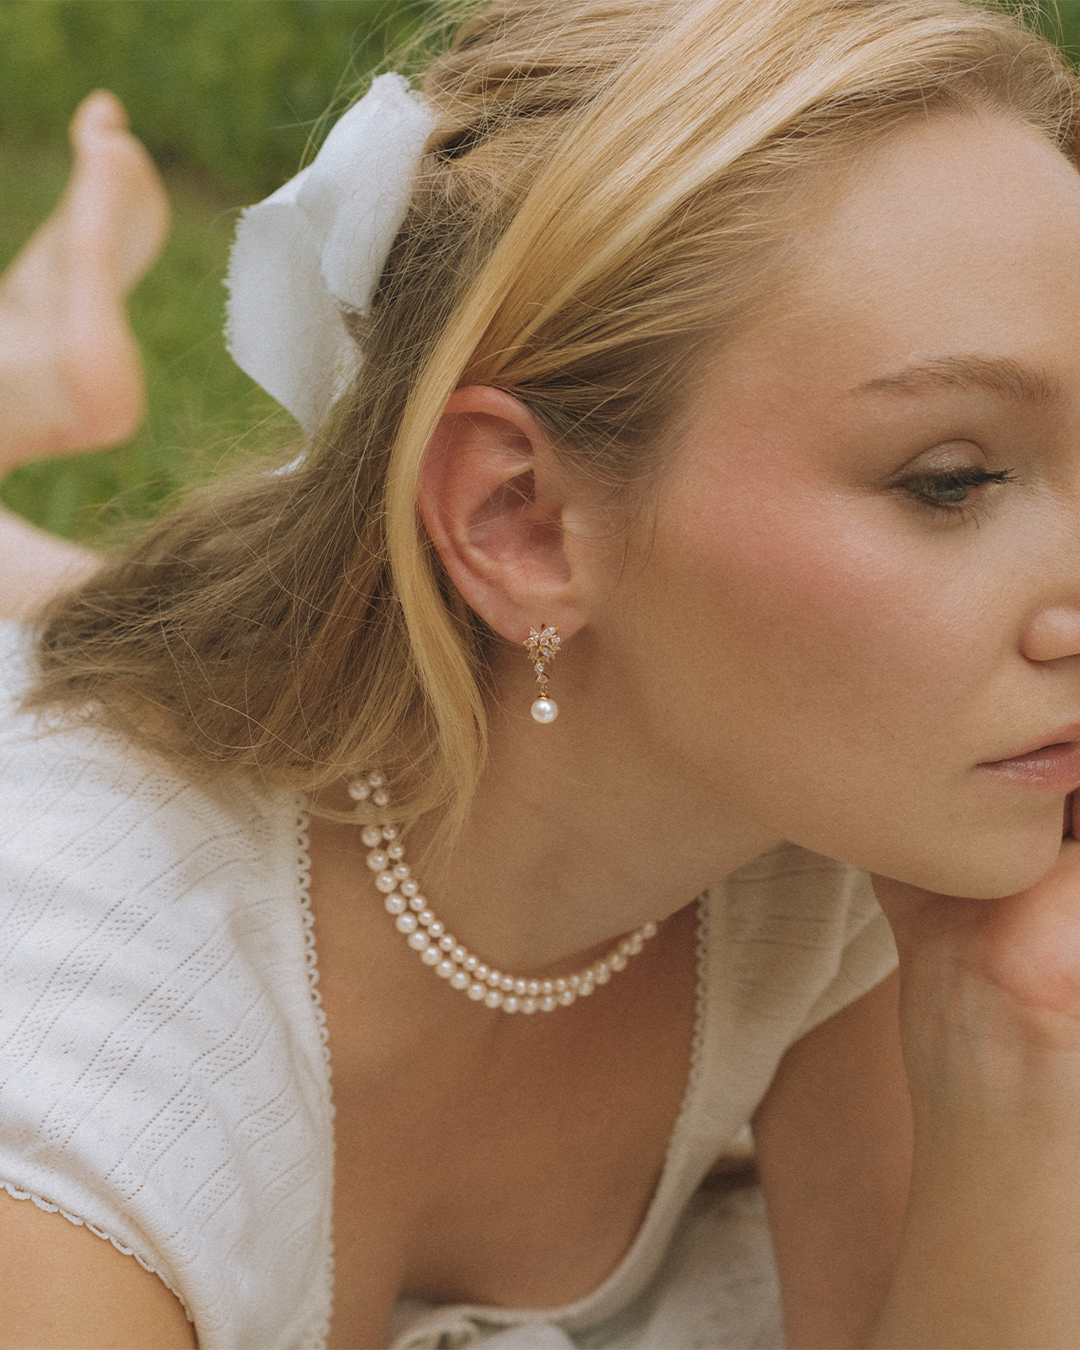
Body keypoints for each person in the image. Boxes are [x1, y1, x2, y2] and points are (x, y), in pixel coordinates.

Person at [4, 0, 1080, 1346]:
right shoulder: (79, 1068)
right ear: (518, 518)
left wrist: (1021, 1022)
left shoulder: (833, 823)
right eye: (952, 480)